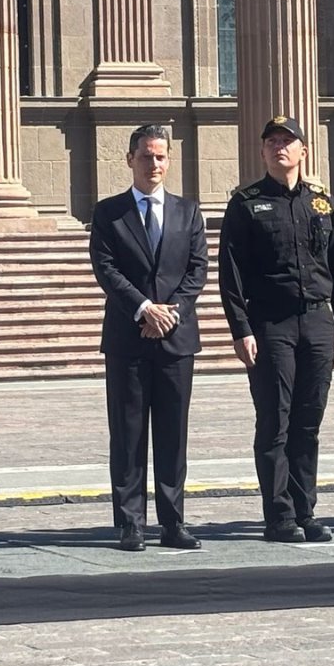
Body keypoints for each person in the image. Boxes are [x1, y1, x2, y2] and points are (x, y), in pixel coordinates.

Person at [218, 115, 334, 543]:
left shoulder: (321, 203)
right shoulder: (246, 202)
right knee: (274, 421)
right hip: (270, 322)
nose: (280, 147)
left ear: (303, 151)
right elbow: (231, 272)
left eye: (288, 141)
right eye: (272, 141)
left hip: (317, 321)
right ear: (262, 152)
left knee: (308, 422)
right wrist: (241, 329)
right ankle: (279, 515)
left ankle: (305, 510)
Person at [89, 124, 208, 552]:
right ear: (129, 160)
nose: (153, 164)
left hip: (176, 339)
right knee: (128, 432)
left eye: (160, 156)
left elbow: (197, 271)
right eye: (145, 156)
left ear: (169, 160)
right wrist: (144, 308)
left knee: (173, 434)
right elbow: (107, 270)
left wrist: (170, 313)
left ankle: (174, 522)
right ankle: (131, 523)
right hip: (128, 336)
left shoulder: (188, 212)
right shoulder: (109, 213)